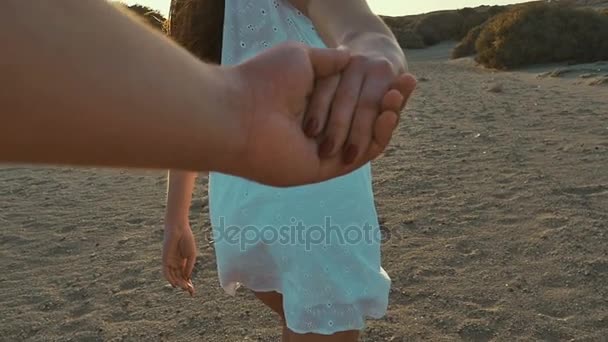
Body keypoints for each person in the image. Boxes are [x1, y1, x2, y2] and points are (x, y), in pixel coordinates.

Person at [162, 1, 416, 341]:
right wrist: (374, 44)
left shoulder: (193, 7)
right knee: (323, 326)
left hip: (239, 198)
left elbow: (187, 113)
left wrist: (176, 218)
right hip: (314, 190)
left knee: (299, 324)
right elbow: (347, 17)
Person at [0, 0, 408, 187]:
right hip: (307, 161)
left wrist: (371, 43)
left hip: (238, 180)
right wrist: (374, 47)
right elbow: (355, 22)